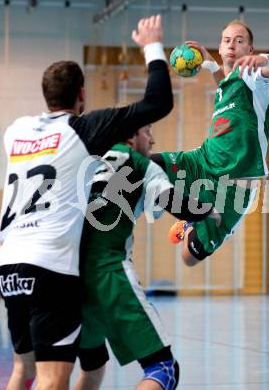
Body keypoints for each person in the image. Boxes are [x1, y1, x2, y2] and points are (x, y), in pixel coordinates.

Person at [0, 14, 173, 390]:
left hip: (8, 266)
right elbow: (158, 101)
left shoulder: (15, 131)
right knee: (54, 379)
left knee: (23, 372)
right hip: (50, 267)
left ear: (46, 94)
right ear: (82, 95)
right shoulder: (80, 130)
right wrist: (153, 45)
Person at [74, 124, 220, 390]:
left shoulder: (88, 161)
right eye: (147, 132)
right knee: (164, 369)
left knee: (92, 367)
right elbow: (174, 201)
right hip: (109, 272)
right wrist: (209, 211)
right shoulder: (141, 164)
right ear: (130, 138)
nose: (152, 140)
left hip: (71, 276)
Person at [152, 20, 269, 266]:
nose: (232, 44)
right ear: (221, 48)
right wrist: (210, 62)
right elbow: (223, 83)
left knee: (189, 257)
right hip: (203, 161)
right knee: (147, 165)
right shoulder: (226, 83)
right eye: (227, 40)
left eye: (240, 41)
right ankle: (191, 211)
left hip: (234, 187)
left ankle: (192, 222)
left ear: (250, 50)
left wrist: (267, 60)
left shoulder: (255, 77)